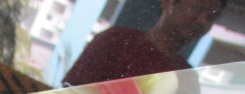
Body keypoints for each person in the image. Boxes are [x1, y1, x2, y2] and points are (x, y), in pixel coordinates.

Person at [63, 0, 225, 86]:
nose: (202, 21)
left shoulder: (186, 76)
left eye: (211, 17)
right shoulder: (116, 41)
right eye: (197, 8)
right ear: (168, 3)